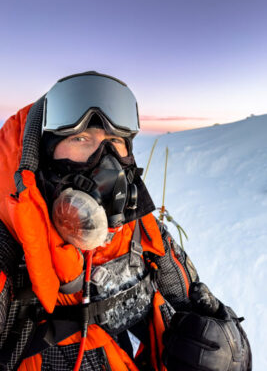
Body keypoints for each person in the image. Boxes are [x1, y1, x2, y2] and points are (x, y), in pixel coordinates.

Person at [0, 71, 252, 371]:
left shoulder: (141, 231)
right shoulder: (9, 250)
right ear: (44, 155)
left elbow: (193, 300)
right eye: (81, 138)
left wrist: (224, 350)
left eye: (115, 141)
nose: (105, 160)